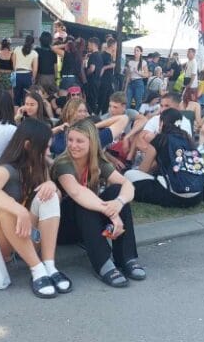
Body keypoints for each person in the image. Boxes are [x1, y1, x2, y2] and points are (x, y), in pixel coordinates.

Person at [0, 118, 70, 298]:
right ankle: (37, 270)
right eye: (45, 147)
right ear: (28, 145)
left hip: (27, 236)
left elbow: (55, 199)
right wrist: (18, 209)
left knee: (49, 195)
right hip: (3, 245)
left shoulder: (40, 165)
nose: (48, 151)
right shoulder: (6, 169)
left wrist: (53, 187)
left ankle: (49, 265)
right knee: (3, 209)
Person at [53, 119, 144, 287]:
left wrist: (118, 202)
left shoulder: (97, 161)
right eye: (70, 140)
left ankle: (126, 258)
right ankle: (103, 262)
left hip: (89, 224)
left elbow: (127, 185)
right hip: (63, 228)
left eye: (79, 141)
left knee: (116, 190)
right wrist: (113, 215)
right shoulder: (63, 163)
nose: (73, 145)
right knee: (82, 202)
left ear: (92, 142)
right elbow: (77, 192)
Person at [125, 108, 204, 208]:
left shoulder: (160, 139)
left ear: (161, 123)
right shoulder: (188, 139)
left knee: (129, 174)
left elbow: (144, 169)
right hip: (197, 195)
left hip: (175, 195)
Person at [13, 35, 39, 106]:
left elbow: (14, 65)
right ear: (32, 43)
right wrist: (33, 78)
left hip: (17, 75)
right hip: (27, 76)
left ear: (25, 41)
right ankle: (26, 116)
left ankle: (16, 116)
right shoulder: (34, 53)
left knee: (16, 98)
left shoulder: (16, 49)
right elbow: (35, 69)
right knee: (27, 97)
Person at [125, 45, 148, 110]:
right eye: (135, 50)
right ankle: (127, 118)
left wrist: (138, 72)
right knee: (127, 102)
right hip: (131, 83)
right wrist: (125, 88)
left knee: (138, 102)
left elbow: (147, 74)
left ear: (141, 52)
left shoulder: (143, 62)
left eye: (137, 50)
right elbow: (128, 76)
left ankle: (137, 117)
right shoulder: (130, 62)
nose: (135, 52)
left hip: (138, 82)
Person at [98, 38, 117, 115]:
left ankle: (104, 115)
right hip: (104, 81)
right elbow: (101, 69)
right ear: (112, 45)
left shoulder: (111, 56)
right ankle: (97, 115)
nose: (116, 47)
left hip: (109, 81)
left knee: (109, 100)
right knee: (102, 100)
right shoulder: (103, 55)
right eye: (115, 45)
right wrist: (109, 66)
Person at [84, 37, 103, 114]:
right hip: (97, 81)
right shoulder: (100, 55)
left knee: (90, 101)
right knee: (94, 100)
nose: (88, 46)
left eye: (88, 44)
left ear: (93, 44)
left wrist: (86, 73)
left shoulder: (93, 55)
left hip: (91, 82)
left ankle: (91, 117)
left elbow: (92, 69)